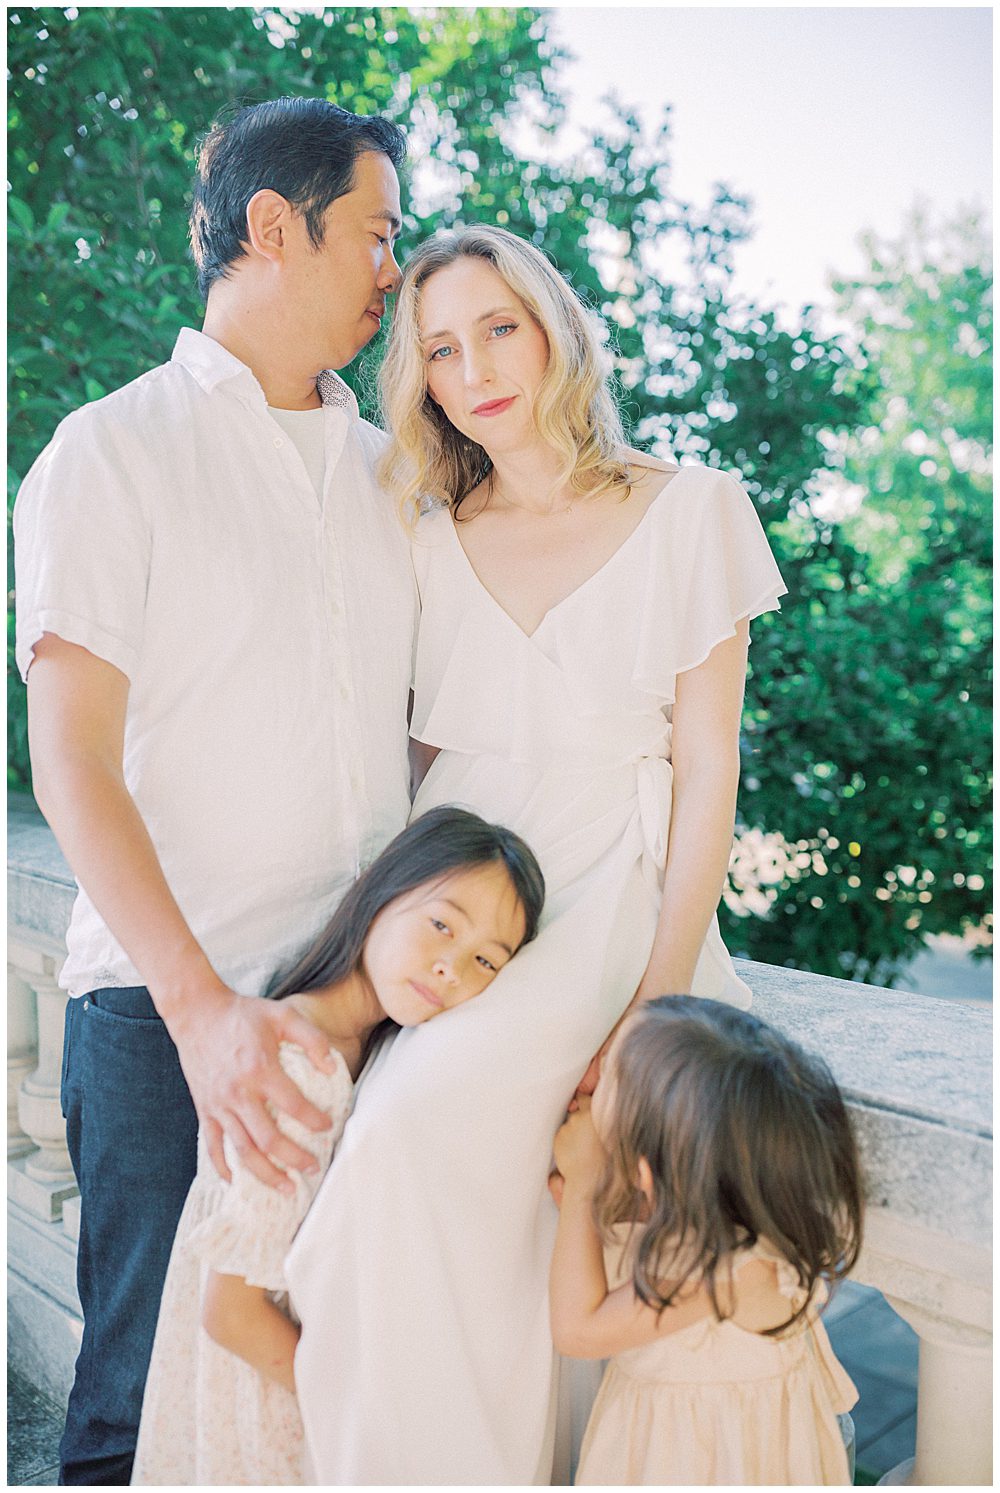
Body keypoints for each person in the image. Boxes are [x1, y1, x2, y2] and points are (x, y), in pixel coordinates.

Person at [288, 224, 788, 1483]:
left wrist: (654, 998)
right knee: (422, 1170)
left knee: (422, 1129)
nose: (475, 368)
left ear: (554, 325)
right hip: (467, 894)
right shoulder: (422, 526)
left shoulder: (692, 509)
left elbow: (710, 766)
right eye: (441, 348)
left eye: (497, 327)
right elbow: (408, 762)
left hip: (614, 885)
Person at [13, 98, 412, 1485]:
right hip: (169, 1018)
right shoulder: (108, 452)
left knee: (315, 1410)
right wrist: (203, 1016)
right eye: (375, 233)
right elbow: (68, 757)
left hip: (364, 1016)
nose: (392, 273)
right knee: (135, 1405)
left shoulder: (392, 475)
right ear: (270, 227)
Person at [131, 805, 544, 1485]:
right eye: (442, 923)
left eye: (484, 960)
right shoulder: (304, 1068)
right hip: (263, 1397)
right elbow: (230, 1313)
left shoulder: (358, 1050)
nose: (450, 967)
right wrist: (358, 1408)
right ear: (383, 892)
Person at [549, 996, 862, 1486]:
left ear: (650, 1164)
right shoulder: (699, 1202)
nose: (591, 1076)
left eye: (609, 1071)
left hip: (712, 1461)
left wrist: (583, 1189)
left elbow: (578, 1331)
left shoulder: (739, 1271)